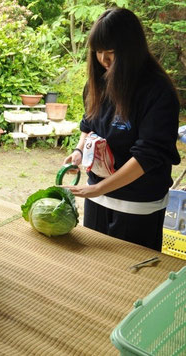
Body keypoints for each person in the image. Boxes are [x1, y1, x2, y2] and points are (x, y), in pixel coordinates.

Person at [62, 8, 180, 250]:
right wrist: (78, 151)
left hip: (137, 205)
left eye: (112, 53)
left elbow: (147, 157)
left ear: (131, 51)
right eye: (98, 52)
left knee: (132, 279)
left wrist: (98, 188)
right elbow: (88, 125)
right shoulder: (97, 82)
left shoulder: (157, 91)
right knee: (94, 270)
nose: (103, 60)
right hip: (98, 199)